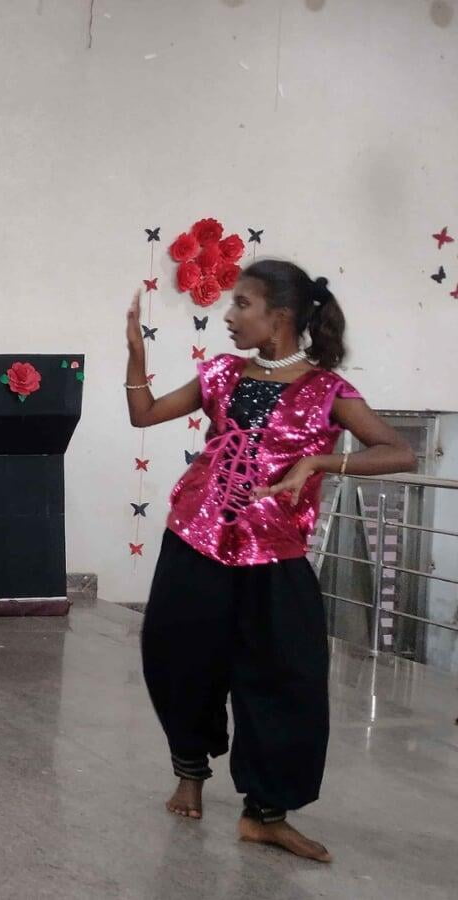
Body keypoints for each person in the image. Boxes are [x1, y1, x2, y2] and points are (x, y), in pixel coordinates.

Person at [125, 260, 416, 862]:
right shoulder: (221, 373)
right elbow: (144, 415)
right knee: (179, 656)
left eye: (242, 304)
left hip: (274, 550)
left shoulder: (327, 390)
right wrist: (135, 356)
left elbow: (398, 452)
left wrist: (319, 462)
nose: (229, 317)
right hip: (196, 537)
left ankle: (265, 815)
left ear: (280, 316)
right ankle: (189, 772)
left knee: (287, 675)